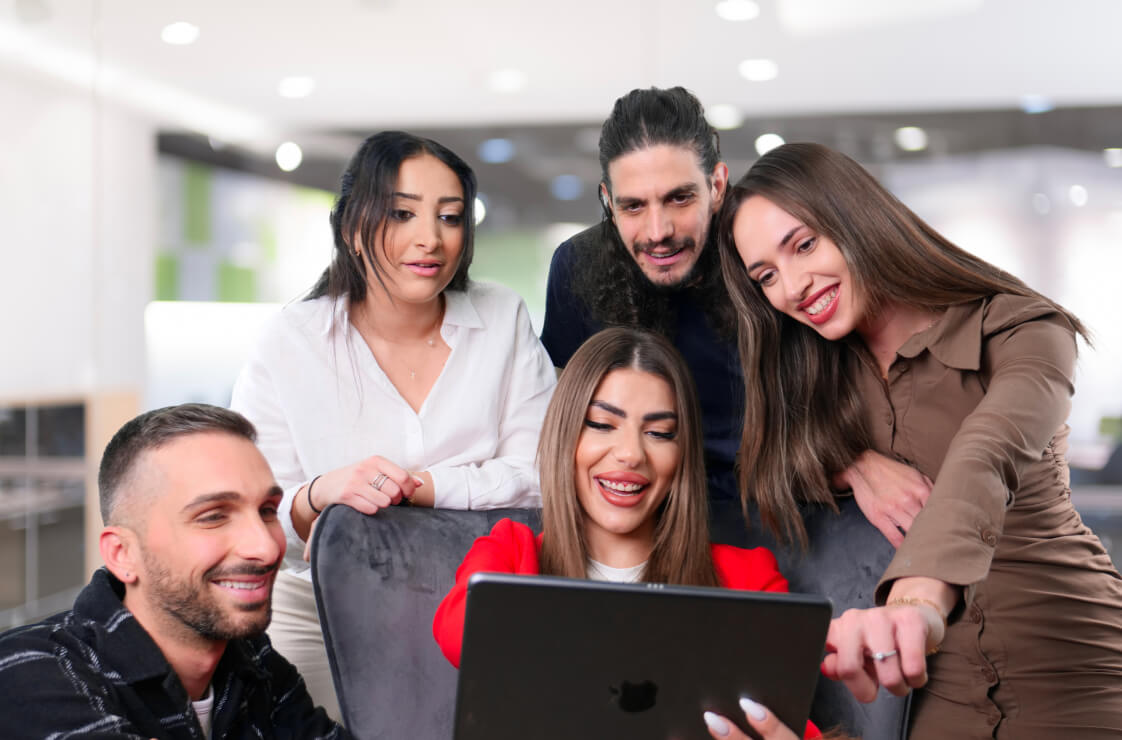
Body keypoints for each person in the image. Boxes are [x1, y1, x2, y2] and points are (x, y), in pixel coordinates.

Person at [718, 141, 1122, 739]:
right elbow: (769, 469)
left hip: (1069, 652)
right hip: (922, 694)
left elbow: (986, 454)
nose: (793, 287)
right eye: (767, 277)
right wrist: (856, 465)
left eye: (804, 245)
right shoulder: (806, 378)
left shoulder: (1024, 329)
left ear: (855, 218)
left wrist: (914, 604)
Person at [230, 131, 556, 718]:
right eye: (402, 214)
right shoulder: (292, 341)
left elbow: (542, 478)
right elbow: (255, 509)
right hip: (321, 610)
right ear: (354, 227)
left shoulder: (501, 316)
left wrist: (421, 486)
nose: (430, 238)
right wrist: (319, 493)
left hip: (479, 603)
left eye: (450, 217)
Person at [540, 87, 930, 544]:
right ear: (608, 199)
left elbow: (836, 391)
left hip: (784, 512)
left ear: (717, 185)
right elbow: (565, 427)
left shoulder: (766, 255)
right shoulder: (576, 267)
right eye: (633, 206)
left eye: (680, 198)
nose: (658, 232)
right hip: (642, 522)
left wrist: (853, 462)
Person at [432, 328, 831, 740]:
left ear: (682, 457)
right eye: (603, 424)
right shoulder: (508, 555)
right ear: (564, 436)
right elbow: (462, 636)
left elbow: (794, 722)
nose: (631, 454)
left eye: (659, 433)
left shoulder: (749, 579)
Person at [0, 403, 347, 739]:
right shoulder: (30, 671)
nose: (266, 547)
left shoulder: (253, 660)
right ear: (123, 554)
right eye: (213, 516)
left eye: (268, 511)